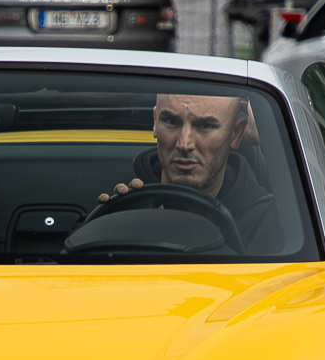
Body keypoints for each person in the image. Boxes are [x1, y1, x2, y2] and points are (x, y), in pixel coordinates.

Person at [96, 92, 278, 246]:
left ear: (236, 133)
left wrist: (273, 139)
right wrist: (111, 229)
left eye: (205, 126)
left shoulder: (272, 223)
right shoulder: (122, 203)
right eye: (170, 121)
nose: (184, 143)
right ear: (155, 122)